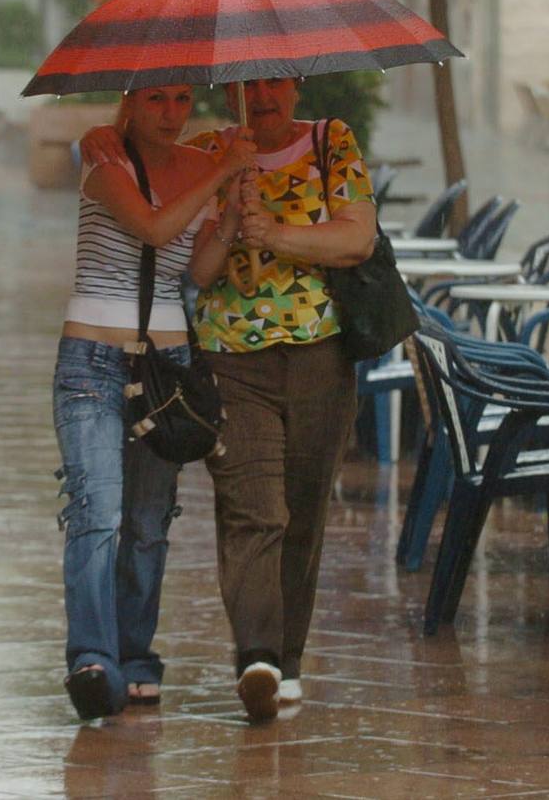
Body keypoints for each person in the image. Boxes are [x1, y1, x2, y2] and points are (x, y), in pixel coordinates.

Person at [82, 77, 377, 723]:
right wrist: (225, 206)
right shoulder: (213, 150)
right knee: (254, 509)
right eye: (251, 81)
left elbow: (356, 240)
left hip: (321, 357)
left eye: (275, 80)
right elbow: (197, 270)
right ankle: (258, 659)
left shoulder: (333, 143)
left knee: (301, 514)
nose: (263, 94)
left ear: (296, 85)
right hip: (230, 360)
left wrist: (271, 233)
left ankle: (288, 662)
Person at [56, 85, 255, 719]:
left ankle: (135, 655)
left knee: (147, 522)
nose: (171, 113)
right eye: (156, 100)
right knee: (97, 509)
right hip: (91, 359)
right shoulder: (104, 156)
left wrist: (228, 220)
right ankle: (92, 659)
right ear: (131, 103)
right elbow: (150, 225)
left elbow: (194, 273)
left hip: (166, 367)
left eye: (181, 100)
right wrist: (224, 169)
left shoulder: (203, 167)